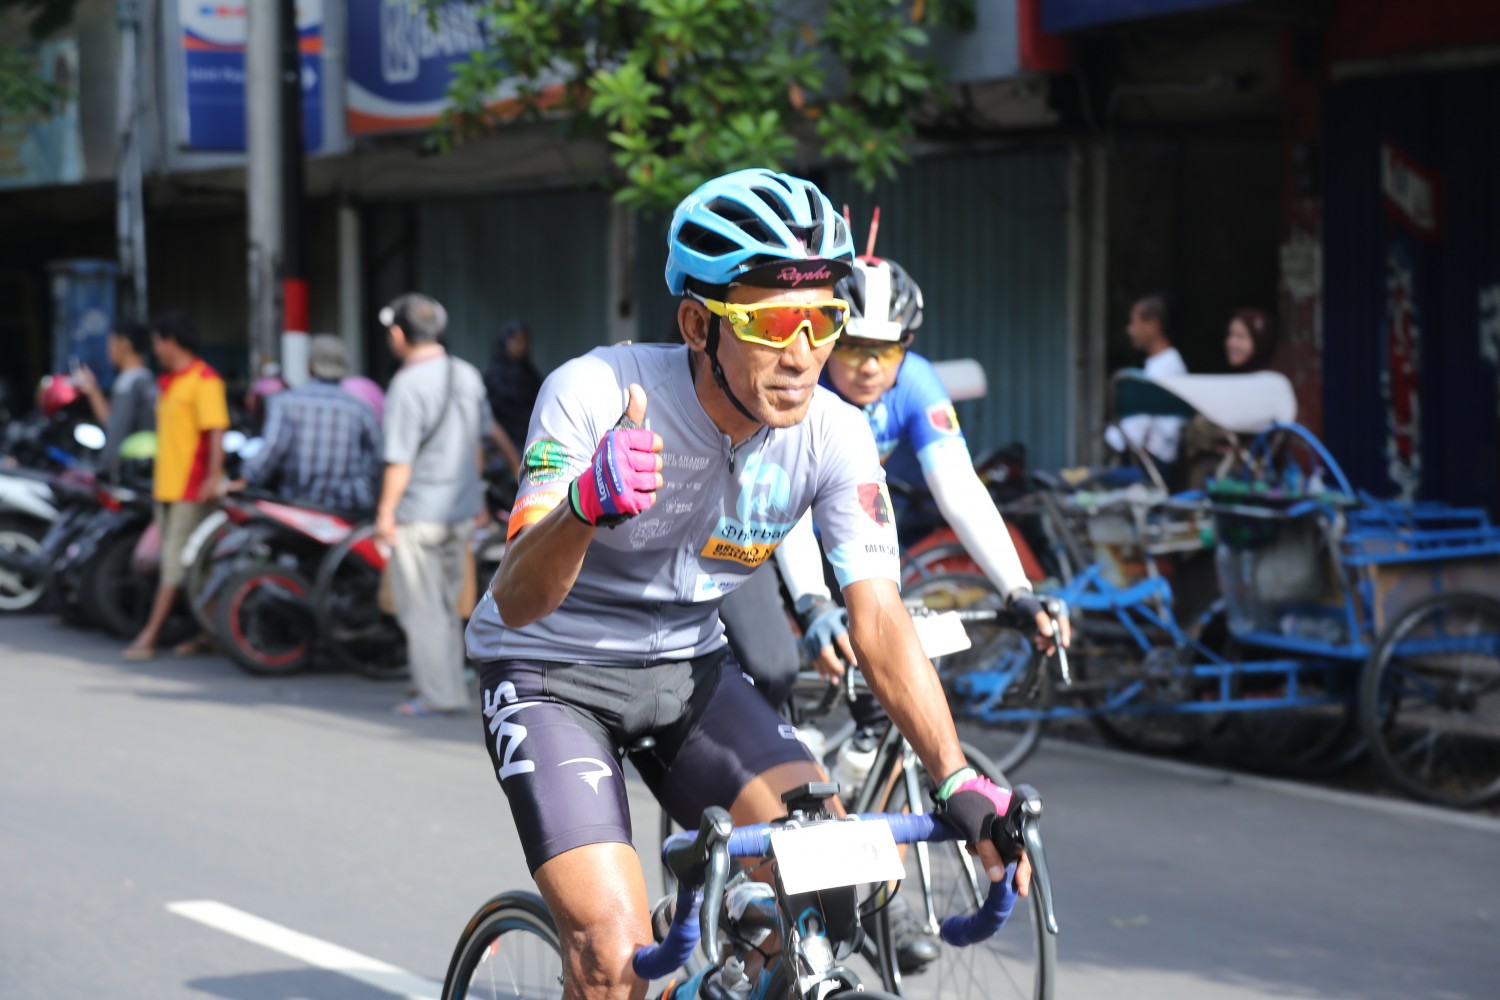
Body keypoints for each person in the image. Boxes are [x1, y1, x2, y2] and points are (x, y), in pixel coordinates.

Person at [465, 168, 1031, 1000]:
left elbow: (878, 618)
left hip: (690, 671)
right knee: (612, 959)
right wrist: (583, 505)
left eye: (823, 320)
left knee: (834, 886)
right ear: (698, 324)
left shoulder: (835, 435)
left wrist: (954, 777)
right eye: (770, 323)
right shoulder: (594, 392)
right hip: (553, 674)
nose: (803, 355)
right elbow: (517, 598)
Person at [376, 293, 515, 716]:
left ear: (399, 334)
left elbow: (400, 461)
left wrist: (385, 513)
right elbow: (478, 443)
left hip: (419, 513)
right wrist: (477, 497)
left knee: (424, 608)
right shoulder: (466, 374)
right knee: (450, 606)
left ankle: (438, 696)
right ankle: (447, 683)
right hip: (461, 510)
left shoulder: (406, 385)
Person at [124, 311, 229, 661]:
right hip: (166, 488)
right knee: (197, 566)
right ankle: (211, 633)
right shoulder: (168, 382)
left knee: (173, 563)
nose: (155, 349)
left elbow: (216, 432)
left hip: (192, 489)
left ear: (171, 341)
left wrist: (212, 478)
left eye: (157, 341)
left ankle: (149, 636)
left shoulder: (205, 380)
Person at [235, 335, 383, 513]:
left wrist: (243, 480)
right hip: (347, 510)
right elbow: (376, 459)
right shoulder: (361, 409)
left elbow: (271, 452)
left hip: (297, 505)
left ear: (309, 366)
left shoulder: (285, 403)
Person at [1182, 308, 1280, 489]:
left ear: (1260, 341)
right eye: (1230, 335)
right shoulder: (1236, 384)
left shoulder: (1271, 386)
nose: (1231, 343)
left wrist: (1239, 446)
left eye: (1241, 337)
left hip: (1248, 481)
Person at [1105, 294, 1189, 475]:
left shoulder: (1169, 366)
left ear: (1152, 325)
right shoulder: (1157, 363)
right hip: (1142, 460)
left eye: (1134, 323)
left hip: (1153, 466)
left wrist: (1116, 437)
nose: (1130, 330)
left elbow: (1141, 426)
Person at [71, 323, 157, 479]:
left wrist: (104, 468)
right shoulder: (145, 379)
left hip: (131, 473)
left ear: (125, 344)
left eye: (111, 343)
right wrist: (93, 390)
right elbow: (111, 420)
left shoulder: (130, 383)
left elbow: (116, 430)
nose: (108, 350)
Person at [483, 318, 543, 453]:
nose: (521, 346)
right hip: (498, 449)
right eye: (516, 340)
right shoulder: (494, 376)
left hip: (528, 444)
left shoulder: (531, 376)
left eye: (525, 340)